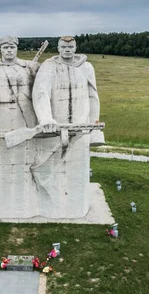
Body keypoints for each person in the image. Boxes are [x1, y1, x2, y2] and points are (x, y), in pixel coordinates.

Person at [31, 36, 104, 218]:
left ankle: (75, 209)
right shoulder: (48, 67)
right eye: (64, 46)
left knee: (76, 173)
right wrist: (46, 118)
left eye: (70, 46)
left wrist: (94, 128)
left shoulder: (87, 68)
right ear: (58, 48)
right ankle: (50, 207)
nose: (67, 49)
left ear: (75, 47)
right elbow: (40, 93)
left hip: (80, 129)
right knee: (49, 170)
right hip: (54, 130)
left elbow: (92, 97)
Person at [0, 35, 40, 218]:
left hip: (26, 119)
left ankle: (25, 204)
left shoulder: (27, 67)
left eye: (12, 47)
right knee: (1, 162)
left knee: (25, 162)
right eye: (5, 47)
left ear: (17, 48)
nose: (9, 50)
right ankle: (1, 205)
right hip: (2, 116)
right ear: (0, 50)